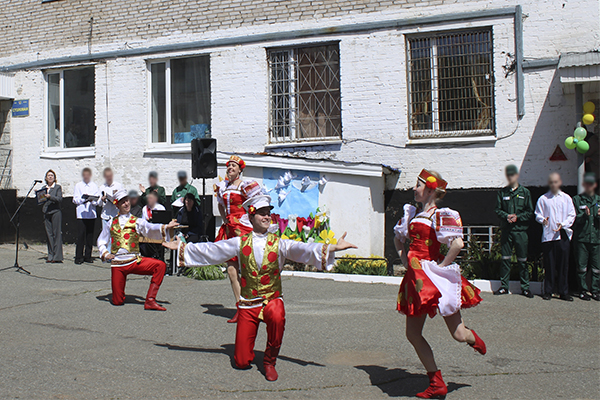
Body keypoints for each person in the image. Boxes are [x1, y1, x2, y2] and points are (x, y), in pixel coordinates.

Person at [164, 194, 357, 381]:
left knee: (277, 314)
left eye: (268, 213)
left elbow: (304, 249)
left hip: (271, 300)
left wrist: (333, 247)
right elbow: (212, 250)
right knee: (241, 362)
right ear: (251, 216)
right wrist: (183, 247)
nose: (266, 216)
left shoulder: (280, 244)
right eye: (262, 213)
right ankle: (247, 353)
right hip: (248, 304)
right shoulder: (239, 243)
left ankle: (269, 361)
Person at [394, 169, 485, 399]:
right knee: (413, 334)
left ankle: (472, 338)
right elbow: (398, 238)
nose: (414, 189)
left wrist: (442, 267)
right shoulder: (411, 214)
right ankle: (436, 382)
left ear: (431, 189)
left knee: (458, 334)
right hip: (416, 279)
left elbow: (457, 243)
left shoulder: (440, 215)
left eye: (418, 185)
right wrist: (404, 258)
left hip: (432, 276)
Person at [97, 189, 178, 311]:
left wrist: (165, 226)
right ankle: (120, 294)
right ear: (117, 205)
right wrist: (105, 253)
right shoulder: (111, 223)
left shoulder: (136, 221)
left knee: (160, 266)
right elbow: (101, 240)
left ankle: (150, 300)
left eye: (127, 201)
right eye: (123, 202)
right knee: (117, 301)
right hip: (118, 264)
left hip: (134, 261)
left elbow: (150, 228)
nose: (126, 204)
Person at [215, 155, 263, 323]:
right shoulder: (223, 187)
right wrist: (225, 219)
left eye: (234, 166)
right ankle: (240, 307)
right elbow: (221, 205)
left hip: (242, 229)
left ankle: (258, 304)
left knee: (249, 268)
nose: (230, 168)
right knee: (231, 270)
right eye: (228, 166)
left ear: (240, 169)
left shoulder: (244, 186)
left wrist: (249, 222)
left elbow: (255, 205)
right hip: (229, 229)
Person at [494, 165, 534, 297]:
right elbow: (497, 210)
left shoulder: (525, 193)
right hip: (507, 231)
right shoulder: (503, 192)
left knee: (522, 260)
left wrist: (518, 217)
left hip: (520, 231)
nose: (511, 177)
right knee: (505, 259)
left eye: (513, 175)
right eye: (508, 175)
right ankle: (504, 286)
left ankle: (525, 287)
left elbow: (529, 212)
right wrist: (506, 216)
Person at [535, 172, 576, 301]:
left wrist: (563, 224)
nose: (553, 184)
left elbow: (572, 214)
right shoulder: (543, 199)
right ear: (549, 183)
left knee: (564, 264)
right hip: (549, 236)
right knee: (549, 264)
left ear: (560, 182)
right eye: (551, 182)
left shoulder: (566, 198)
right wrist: (543, 220)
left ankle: (563, 291)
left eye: (556, 182)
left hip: (562, 234)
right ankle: (549, 291)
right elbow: (537, 214)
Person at [572, 172, 600, 301]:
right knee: (581, 267)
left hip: (596, 239)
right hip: (582, 239)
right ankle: (582, 290)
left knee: (596, 268)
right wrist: (584, 216)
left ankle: (595, 290)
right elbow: (572, 219)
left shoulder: (599, 200)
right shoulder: (577, 200)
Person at [73, 167, 100, 264]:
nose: (86, 176)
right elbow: (75, 200)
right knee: (80, 236)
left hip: (91, 214)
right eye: (85, 175)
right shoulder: (78, 185)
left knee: (90, 236)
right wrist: (83, 199)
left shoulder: (94, 186)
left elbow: (98, 201)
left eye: (88, 175)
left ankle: (88, 256)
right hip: (81, 214)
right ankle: (78, 256)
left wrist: (93, 200)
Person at [41, 169, 63, 263]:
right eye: (48, 175)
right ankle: (50, 255)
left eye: (52, 176)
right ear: (46, 178)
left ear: (54, 178)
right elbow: (41, 201)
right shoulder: (44, 187)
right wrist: (39, 195)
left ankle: (57, 256)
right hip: (46, 212)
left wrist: (50, 197)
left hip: (55, 212)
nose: (50, 177)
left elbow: (59, 199)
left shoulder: (57, 187)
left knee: (56, 234)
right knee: (48, 234)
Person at [140, 191, 167, 261]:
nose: (149, 200)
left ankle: (159, 258)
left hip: (158, 231)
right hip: (148, 231)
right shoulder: (144, 208)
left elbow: (163, 221)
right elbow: (143, 222)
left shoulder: (160, 208)